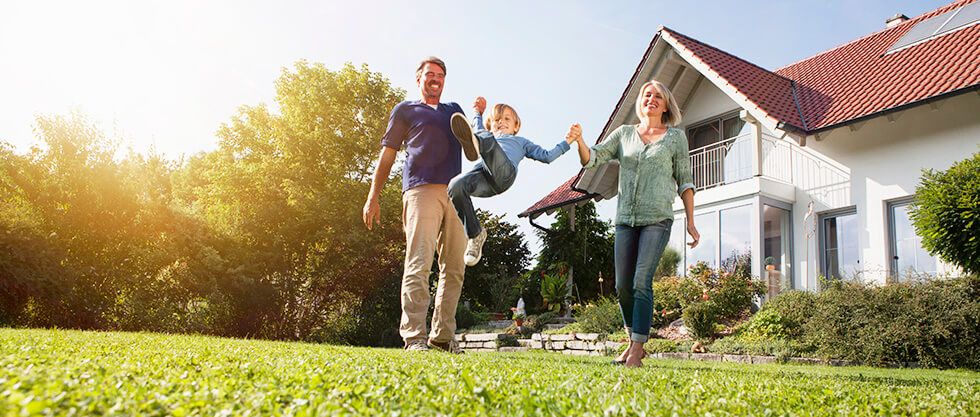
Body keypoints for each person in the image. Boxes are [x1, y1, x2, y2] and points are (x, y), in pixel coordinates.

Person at [569, 80, 699, 367]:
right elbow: (592, 159)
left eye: (658, 96)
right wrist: (580, 141)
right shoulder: (624, 134)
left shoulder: (675, 138)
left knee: (642, 281)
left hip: (657, 219)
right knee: (623, 287)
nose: (651, 99)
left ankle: (637, 351)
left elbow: (685, 181)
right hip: (626, 219)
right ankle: (632, 342)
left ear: (666, 105)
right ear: (640, 102)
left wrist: (691, 221)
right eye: (647, 95)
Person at [362, 56, 466, 353]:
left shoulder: (454, 111)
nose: (436, 78)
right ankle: (414, 337)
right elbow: (388, 155)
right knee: (420, 262)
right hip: (421, 191)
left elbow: (474, 145)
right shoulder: (406, 110)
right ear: (419, 79)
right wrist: (373, 196)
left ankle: (442, 337)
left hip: (457, 193)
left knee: (455, 267)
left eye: (441, 75)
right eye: (430, 74)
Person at [448, 97, 576, 265]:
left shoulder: (521, 142)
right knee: (455, 186)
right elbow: (478, 127)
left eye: (506, 119)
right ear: (490, 126)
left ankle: (476, 145)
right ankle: (475, 234)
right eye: (496, 120)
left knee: (485, 139)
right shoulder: (488, 134)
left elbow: (547, 156)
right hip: (484, 177)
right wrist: (477, 112)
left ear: (516, 126)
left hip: (505, 174)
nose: (501, 122)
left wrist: (568, 142)